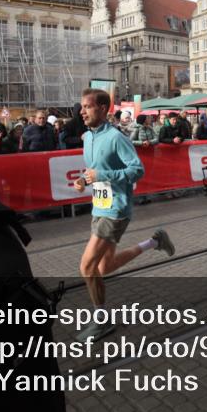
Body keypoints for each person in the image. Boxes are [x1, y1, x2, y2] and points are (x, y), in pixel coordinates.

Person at [73, 89, 174, 341]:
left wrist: (102, 175)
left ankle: (101, 322)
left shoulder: (116, 137)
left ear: (102, 108)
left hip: (116, 209)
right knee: (104, 266)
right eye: (81, 107)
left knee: (87, 266)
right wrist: (83, 180)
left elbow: (137, 170)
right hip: (99, 205)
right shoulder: (88, 137)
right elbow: (94, 169)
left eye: (87, 107)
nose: (82, 112)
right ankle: (155, 241)